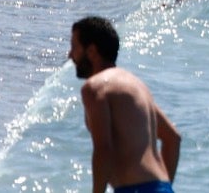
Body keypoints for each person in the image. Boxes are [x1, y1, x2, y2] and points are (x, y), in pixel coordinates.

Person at [69, 16, 181, 193]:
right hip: (160, 187)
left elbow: (104, 150)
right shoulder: (136, 86)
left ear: (91, 51)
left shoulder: (95, 88)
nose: (70, 55)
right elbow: (173, 138)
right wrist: (162, 188)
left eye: (74, 47)